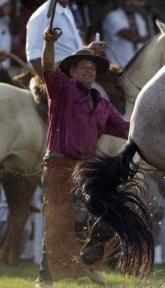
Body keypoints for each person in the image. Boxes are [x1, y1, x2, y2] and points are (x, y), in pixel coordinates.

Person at [36, 26, 130, 287]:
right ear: (72, 72)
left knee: (107, 214)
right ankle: (45, 278)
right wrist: (48, 43)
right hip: (58, 164)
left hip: (86, 170)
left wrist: (155, 128)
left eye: (92, 67)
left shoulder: (102, 104)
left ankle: (88, 264)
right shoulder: (61, 89)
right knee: (58, 221)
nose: (89, 69)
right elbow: (47, 65)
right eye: (82, 66)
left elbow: (126, 128)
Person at [26, 0, 104, 80]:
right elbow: (33, 55)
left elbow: (70, 51)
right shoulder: (42, 15)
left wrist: (88, 50)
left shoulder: (67, 11)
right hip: (58, 77)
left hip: (76, 75)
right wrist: (50, 86)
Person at [103, 0, 149, 67]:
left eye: (137, 0)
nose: (134, 3)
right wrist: (150, 41)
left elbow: (143, 39)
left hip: (135, 68)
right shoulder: (113, 16)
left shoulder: (139, 18)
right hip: (117, 67)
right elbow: (132, 36)